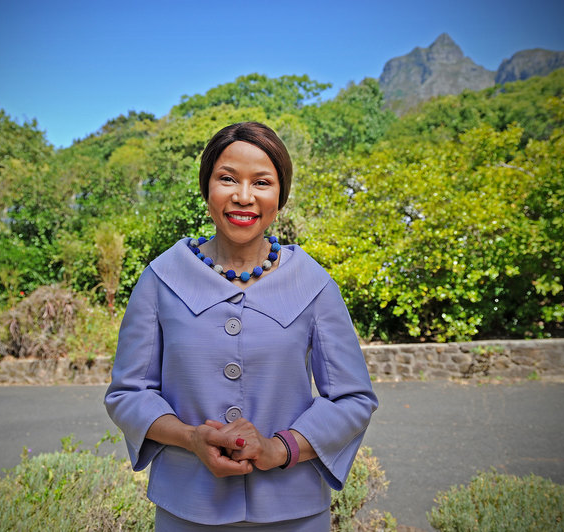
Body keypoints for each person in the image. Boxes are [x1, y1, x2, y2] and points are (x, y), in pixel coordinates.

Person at [104, 122, 378, 531]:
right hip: (187, 510)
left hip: (295, 512)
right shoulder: (161, 278)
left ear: (280, 196)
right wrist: (190, 438)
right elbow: (128, 394)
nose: (244, 196)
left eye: (262, 182)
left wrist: (278, 448)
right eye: (227, 178)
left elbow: (353, 398)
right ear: (207, 187)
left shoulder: (314, 283)